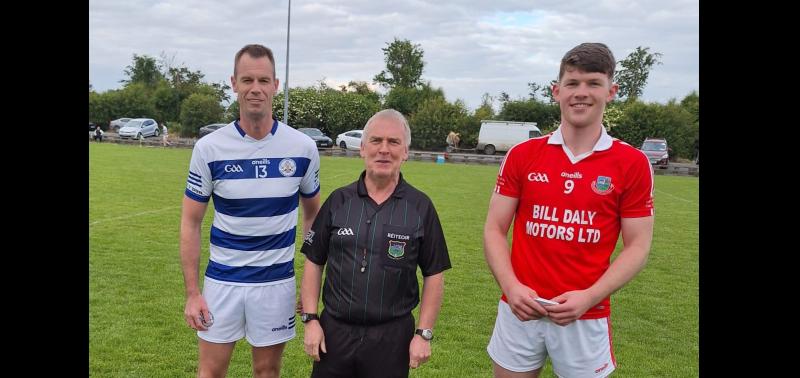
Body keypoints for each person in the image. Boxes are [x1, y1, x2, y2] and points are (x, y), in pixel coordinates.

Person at [483, 42, 654, 378]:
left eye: (593, 83)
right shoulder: (522, 154)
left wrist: (589, 297)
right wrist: (511, 286)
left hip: (585, 315)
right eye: (572, 83)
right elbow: (494, 228)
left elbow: (638, 247)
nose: (581, 93)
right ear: (556, 91)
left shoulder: (632, 163)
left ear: (611, 91)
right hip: (520, 310)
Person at [180, 44, 322, 378]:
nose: (255, 88)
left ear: (275, 85)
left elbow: (314, 215)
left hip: (276, 284)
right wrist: (192, 293)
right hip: (222, 283)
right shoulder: (209, 148)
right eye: (247, 80)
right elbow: (190, 221)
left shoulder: (302, 148)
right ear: (233, 83)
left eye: (263, 80)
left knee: (267, 372)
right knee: (210, 373)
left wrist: (308, 282)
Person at [299, 109, 452, 378]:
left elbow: (434, 274)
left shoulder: (420, 207)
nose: (384, 149)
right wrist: (311, 319)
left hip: (392, 338)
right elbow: (314, 261)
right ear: (362, 148)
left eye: (393, 142)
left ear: (405, 151)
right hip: (335, 333)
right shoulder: (338, 201)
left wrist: (424, 334)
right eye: (376, 141)